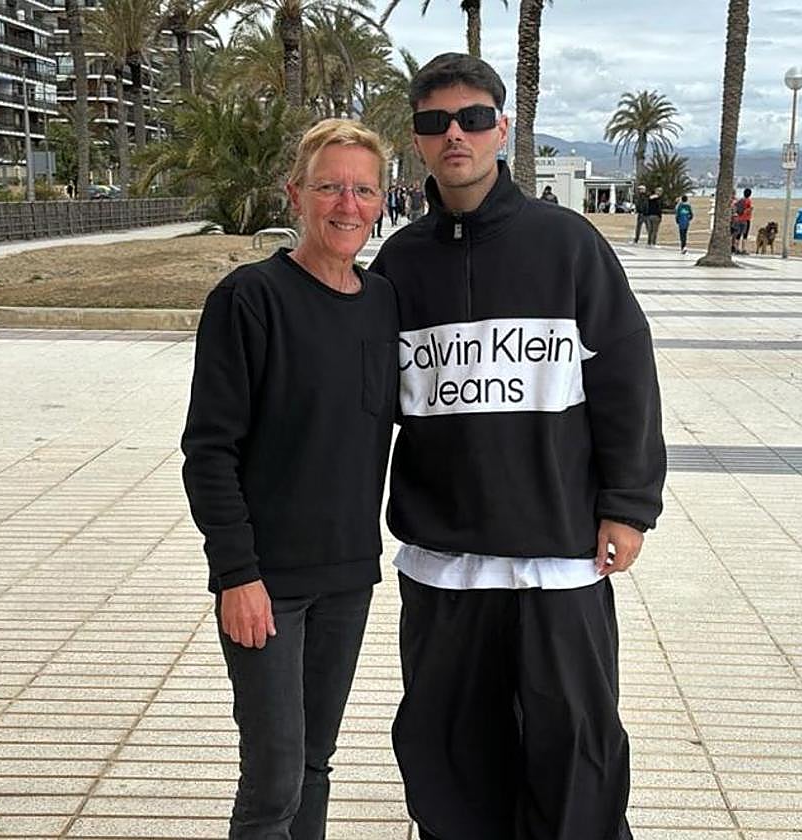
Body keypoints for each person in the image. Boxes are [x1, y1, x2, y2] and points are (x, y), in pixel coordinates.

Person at [369, 52, 665, 840]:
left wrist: (628, 507)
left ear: (502, 127)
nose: (454, 136)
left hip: (557, 560)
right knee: (446, 756)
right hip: (443, 566)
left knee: (574, 756)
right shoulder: (400, 263)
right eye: (435, 123)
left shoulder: (566, 245)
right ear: (418, 140)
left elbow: (626, 379)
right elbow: (368, 403)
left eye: (472, 118)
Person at [181, 118, 398, 840]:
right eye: (329, 186)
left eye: (362, 189)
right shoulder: (250, 299)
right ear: (294, 195)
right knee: (272, 779)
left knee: (314, 763)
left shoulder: (383, 304)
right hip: (266, 582)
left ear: (381, 200)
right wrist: (235, 574)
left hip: (347, 577)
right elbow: (209, 451)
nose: (346, 204)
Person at [732, 187, 753, 254]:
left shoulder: (740, 200)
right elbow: (748, 210)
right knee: (745, 235)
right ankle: (743, 249)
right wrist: (750, 209)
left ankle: (737, 248)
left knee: (738, 234)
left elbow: (734, 206)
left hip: (739, 219)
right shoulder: (748, 201)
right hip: (746, 219)